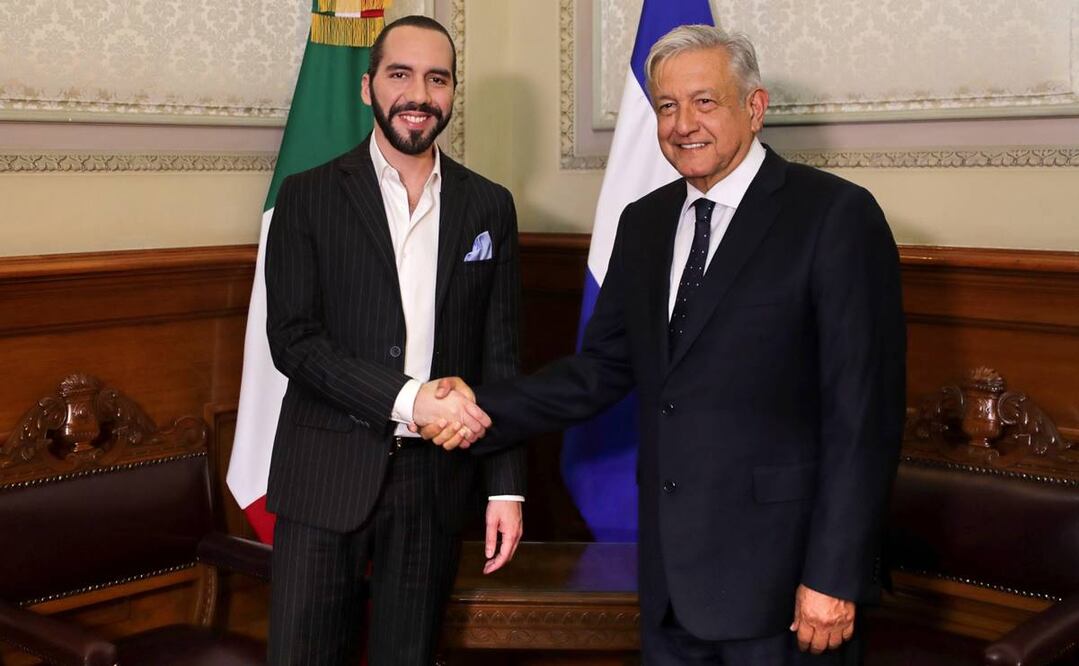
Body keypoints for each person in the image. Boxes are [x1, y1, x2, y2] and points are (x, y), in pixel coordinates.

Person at [423, 24, 905, 665]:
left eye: (705, 102)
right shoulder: (645, 222)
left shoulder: (834, 216)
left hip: (786, 585)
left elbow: (862, 414)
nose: (683, 124)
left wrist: (835, 576)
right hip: (670, 583)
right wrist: (479, 403)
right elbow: (600, 370)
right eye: (668, 106)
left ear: (754, 108)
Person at [263, 15, 526, 665]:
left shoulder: (488, 206)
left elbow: (501, 356)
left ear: (451, 93)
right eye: (400, 74)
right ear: (367, 87)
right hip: (325, 474)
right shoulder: (306, 197)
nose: (419, 94)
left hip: (434, 486)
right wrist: (410, 399)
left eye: (436, 79)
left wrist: (505, 487)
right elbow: (293, 341)